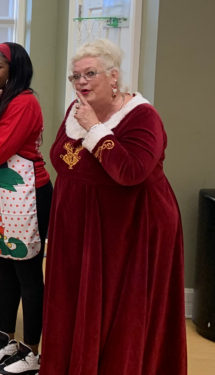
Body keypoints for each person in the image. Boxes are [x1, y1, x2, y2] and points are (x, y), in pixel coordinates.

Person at [41, 39, 187, 375]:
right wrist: (89, 129)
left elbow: (130, 172)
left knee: (125, 312)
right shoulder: (78, 109)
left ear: (114, 77)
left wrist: (94, 129)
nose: (81, 82)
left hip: (132, 229)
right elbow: (60, 159)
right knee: (78, 307)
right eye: (75, 76)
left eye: (90, 74)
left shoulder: (143, 117)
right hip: (82, 227)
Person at [0, 42, 52, 375]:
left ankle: (31, 350)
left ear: (15, 71)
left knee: (28, 274)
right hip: (0, 195)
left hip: (27, 195)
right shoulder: (1, 99)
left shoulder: (23, 103)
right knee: (5, 269)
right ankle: (6, 338)